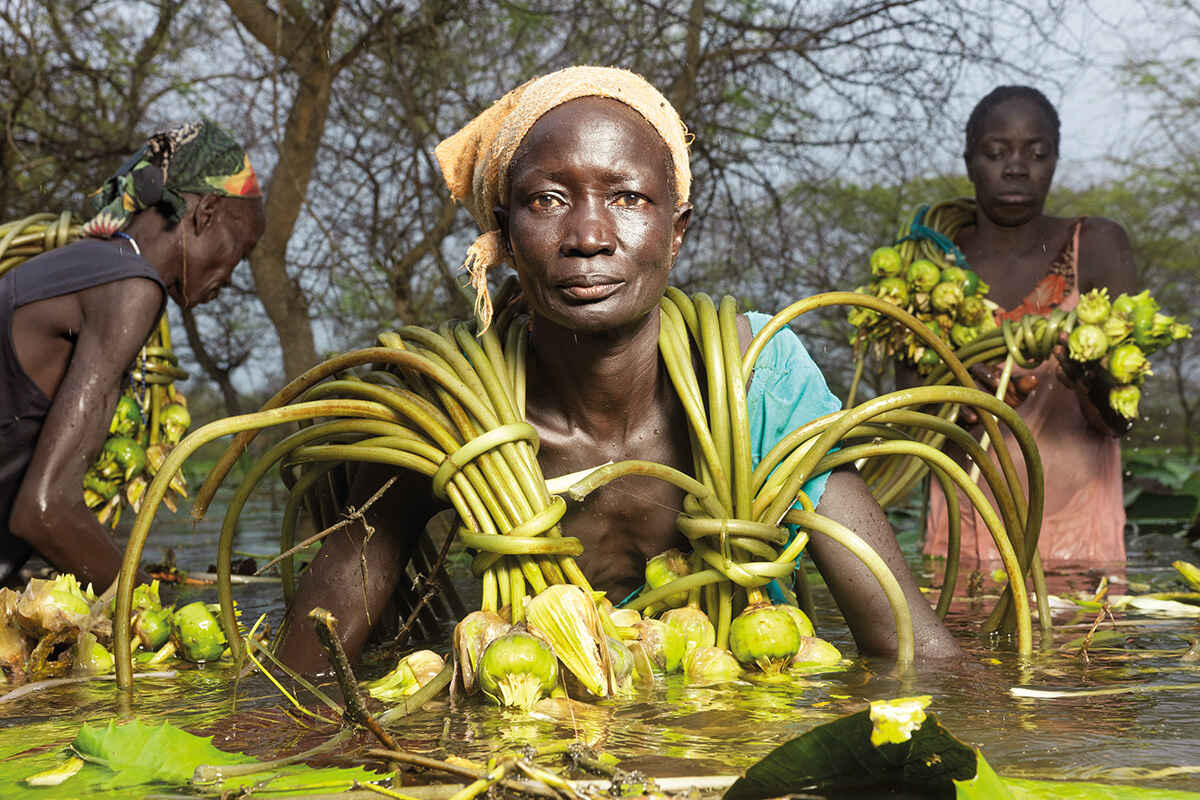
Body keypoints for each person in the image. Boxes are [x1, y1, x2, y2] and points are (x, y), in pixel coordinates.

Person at [275, 66, 961, 673]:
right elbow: (299, 672)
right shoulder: (448, 409)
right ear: (506, 236)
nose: (590, 238)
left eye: (628, 197)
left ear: (678, 228)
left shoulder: (758, 378)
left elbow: (913, 648)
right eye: (548, 200)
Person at [1, 119, 266, 589]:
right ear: (205, 212)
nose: (230, 275)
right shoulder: (130, 288)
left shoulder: (87, 264)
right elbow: (44, 509)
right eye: (239, 251)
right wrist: (149, 609)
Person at [922, 86, 1137, 568]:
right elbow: (908, 413)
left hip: (1079, 538)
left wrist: (1088, 377)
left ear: (1055, 160)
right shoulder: (932, 262)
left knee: (1087, 644)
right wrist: (957, 389)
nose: (1016, 167)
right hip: (964, 534)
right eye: (996, 152)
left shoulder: (1097, 247)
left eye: (1036, 153)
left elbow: (1122, 416)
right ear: (969, 159)